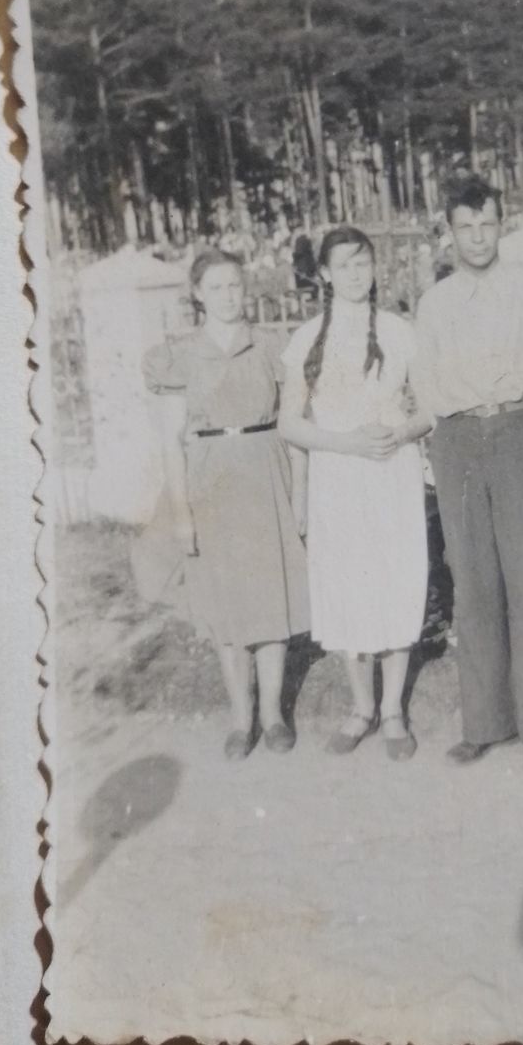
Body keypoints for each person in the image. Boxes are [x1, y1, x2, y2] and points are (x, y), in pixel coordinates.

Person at [414, 175, 523, 776]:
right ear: (450, 232)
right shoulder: (436, 304)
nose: (478, 238)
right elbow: (425, 382)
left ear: (501, 226)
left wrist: (522, 414)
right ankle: (484, 724)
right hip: (458, 440)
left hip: (518, 434)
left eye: (487, 225)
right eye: (466, 228)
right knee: (474, 583)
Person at [143, 248, 310, 760]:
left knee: (271, 596)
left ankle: (274, 715)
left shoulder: (270, 347)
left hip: (266, 473)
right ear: (198, 294)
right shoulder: (180, 356)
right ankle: (241, 718)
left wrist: (299, 496)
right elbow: (170, 442)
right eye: (215, 288)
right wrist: (181, 512)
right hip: (211, 483)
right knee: (226, 602)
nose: (228, 296)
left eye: (235, 285)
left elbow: (295, 426)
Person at [279, 226, 431, 761]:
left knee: (393, 581)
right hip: (338, 478)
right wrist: (344, 443)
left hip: (390, 474)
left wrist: (401, 433)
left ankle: (392, 710)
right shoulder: (306, 339)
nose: (354, 274)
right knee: (348, 586)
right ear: (324, 273)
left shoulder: (399, 331)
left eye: (362, 263)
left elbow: (431, 409)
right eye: (342, 265)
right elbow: (289, 424)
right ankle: (361, 707)